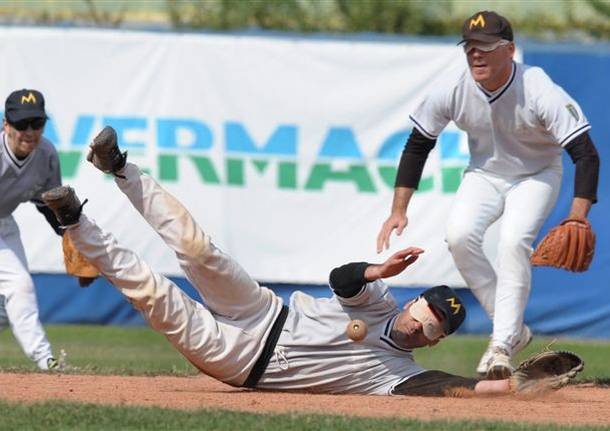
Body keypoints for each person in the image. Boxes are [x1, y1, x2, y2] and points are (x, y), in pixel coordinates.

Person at [42, 126, 536, 396]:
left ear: (435, 343)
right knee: (198, 250)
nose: (420, 327)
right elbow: (340, 280)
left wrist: (508, 386)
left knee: (153, 293)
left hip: (242, 361)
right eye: (425, 315)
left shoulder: (397, 373)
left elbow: (446, 389)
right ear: (414, 303)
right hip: (264, 310)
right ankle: (120, 167)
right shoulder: (380, 302)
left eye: (433, 330)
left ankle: (74, 222)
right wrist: (376, 270)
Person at [376, 11, 600, 379]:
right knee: (459, 237)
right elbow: (418, 144)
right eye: (470, 47)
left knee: (513, 242)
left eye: (486, 46)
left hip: (537, 174)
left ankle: (500, 345)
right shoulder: (453, 89)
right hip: (485, 174)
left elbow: (585, 153)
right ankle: (513, 331)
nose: (476, 54)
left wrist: (578, 214)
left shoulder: (538, 88)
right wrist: (398, 209)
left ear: (509, 50)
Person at [0, 89, 64, 370]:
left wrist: (68, 236)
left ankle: (46, 361)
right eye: (21, 124)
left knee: (16, 294)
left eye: (36, 123)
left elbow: (48, 203)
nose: (29, 131)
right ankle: (45, 359)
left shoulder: (46, 155)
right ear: (6, 124)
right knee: (17, 287)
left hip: (3, 221)